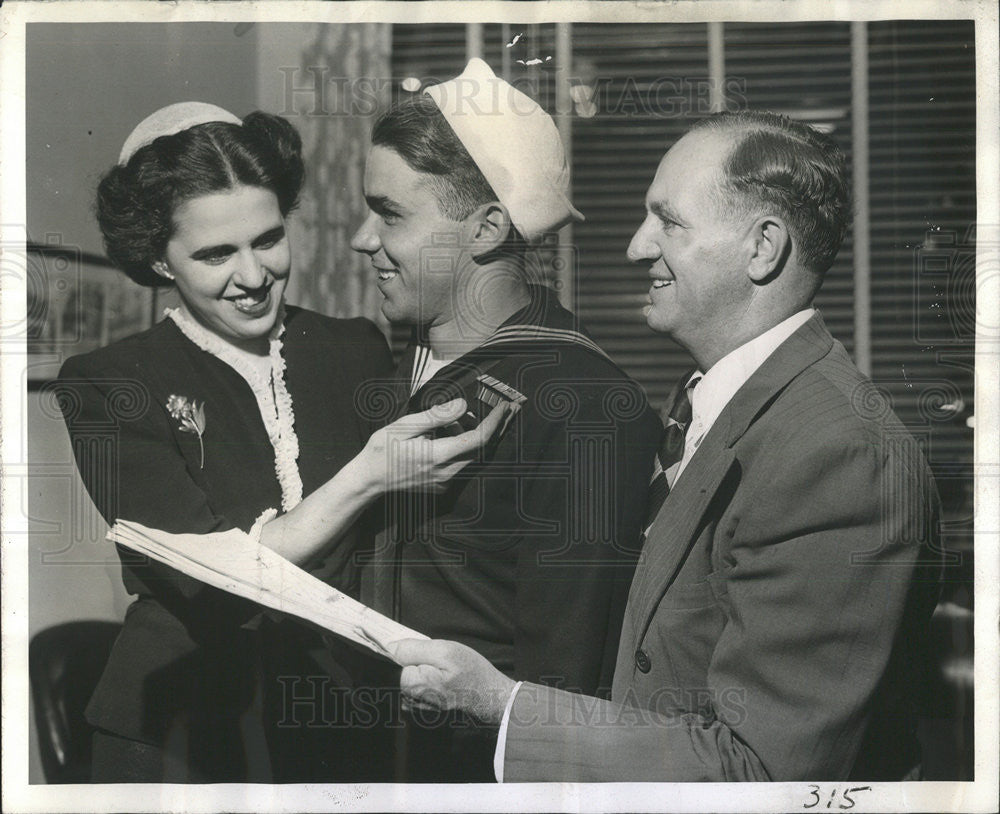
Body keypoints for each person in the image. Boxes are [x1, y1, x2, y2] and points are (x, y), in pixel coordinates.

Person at [385, 110, 944, 782]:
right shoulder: (711, 409)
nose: (635, 246)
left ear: (762, 247)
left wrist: (499, 704)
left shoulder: (842, 456)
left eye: (668, 221)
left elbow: (760, 773)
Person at [54, 102, 508, 783]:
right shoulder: (108, 384)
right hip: (179, 729)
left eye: (267, 240)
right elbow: (210, 572)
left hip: (339, 717)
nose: (253, 275)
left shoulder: (352, 347)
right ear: (159, 259)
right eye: (215, 254)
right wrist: (369, 474)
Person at [346, 59, 661, 780]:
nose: (364, 238)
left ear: (488, 227)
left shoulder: (583, 406)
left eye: (390, 213)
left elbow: (563, 692)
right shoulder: (400, 367)